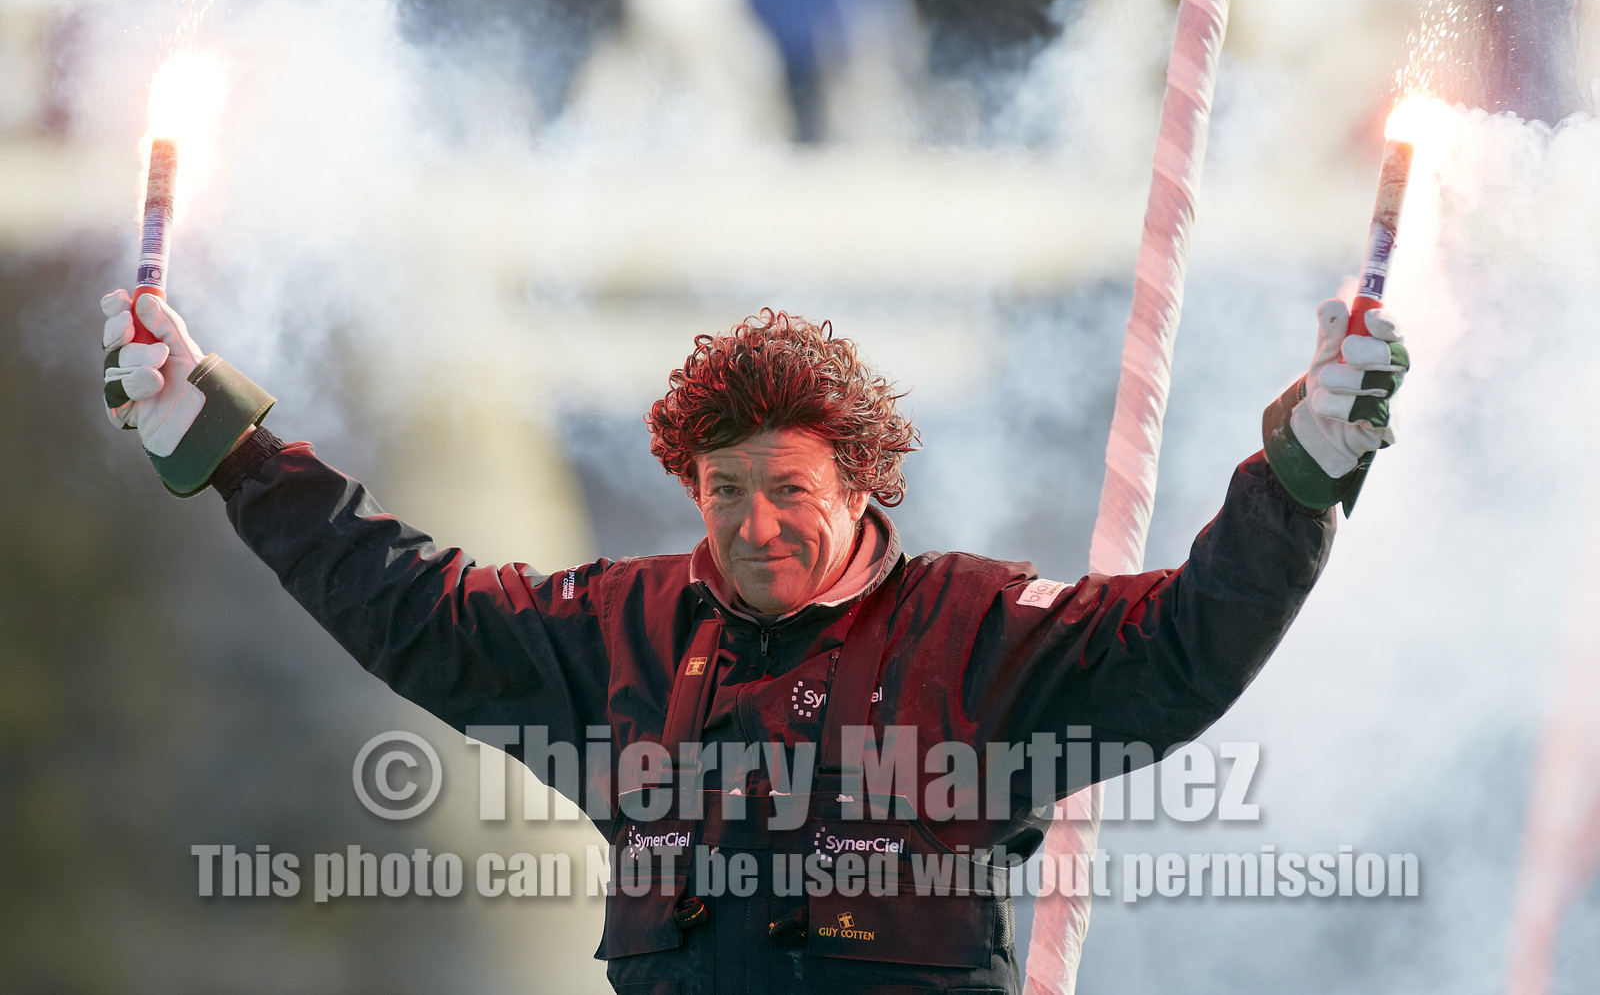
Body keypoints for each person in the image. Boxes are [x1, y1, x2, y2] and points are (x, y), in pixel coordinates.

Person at [100, 296, 1406, 993]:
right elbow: (408, 602)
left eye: (788, 488)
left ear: (860, 484)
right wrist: (226, 449)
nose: (755, 521)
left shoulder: (986, 630)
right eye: (724, 489)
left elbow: (1188, 640)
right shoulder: (612, 633)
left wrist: (1304, 468)